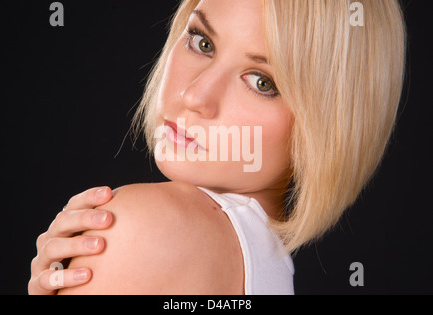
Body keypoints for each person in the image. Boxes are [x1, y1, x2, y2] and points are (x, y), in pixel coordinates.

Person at [29, 0, 406, 295]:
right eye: (202, 42)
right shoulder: (269, 266)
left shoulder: (148, 227)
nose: (195, 95)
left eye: (261, 82)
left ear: (327, 129)